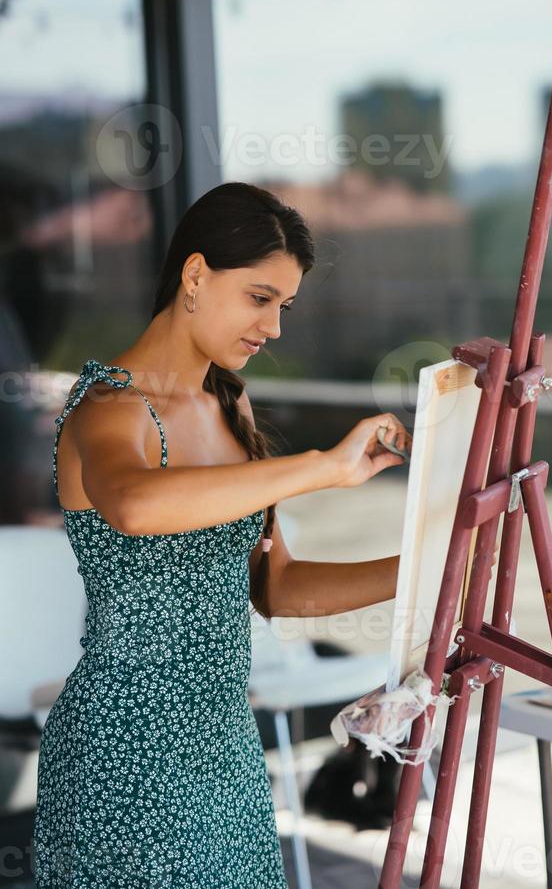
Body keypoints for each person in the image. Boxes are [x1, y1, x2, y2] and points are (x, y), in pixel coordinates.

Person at [32, 181, 412, 888]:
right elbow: (136, 507)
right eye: (259, 297)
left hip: (224, 747)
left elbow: (278, 588)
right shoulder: (109, 407)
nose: (273, 328)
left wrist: (425, 562)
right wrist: (321, 467)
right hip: (125, 749)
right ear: (196, 275)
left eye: (284, 307)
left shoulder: (230, 403)